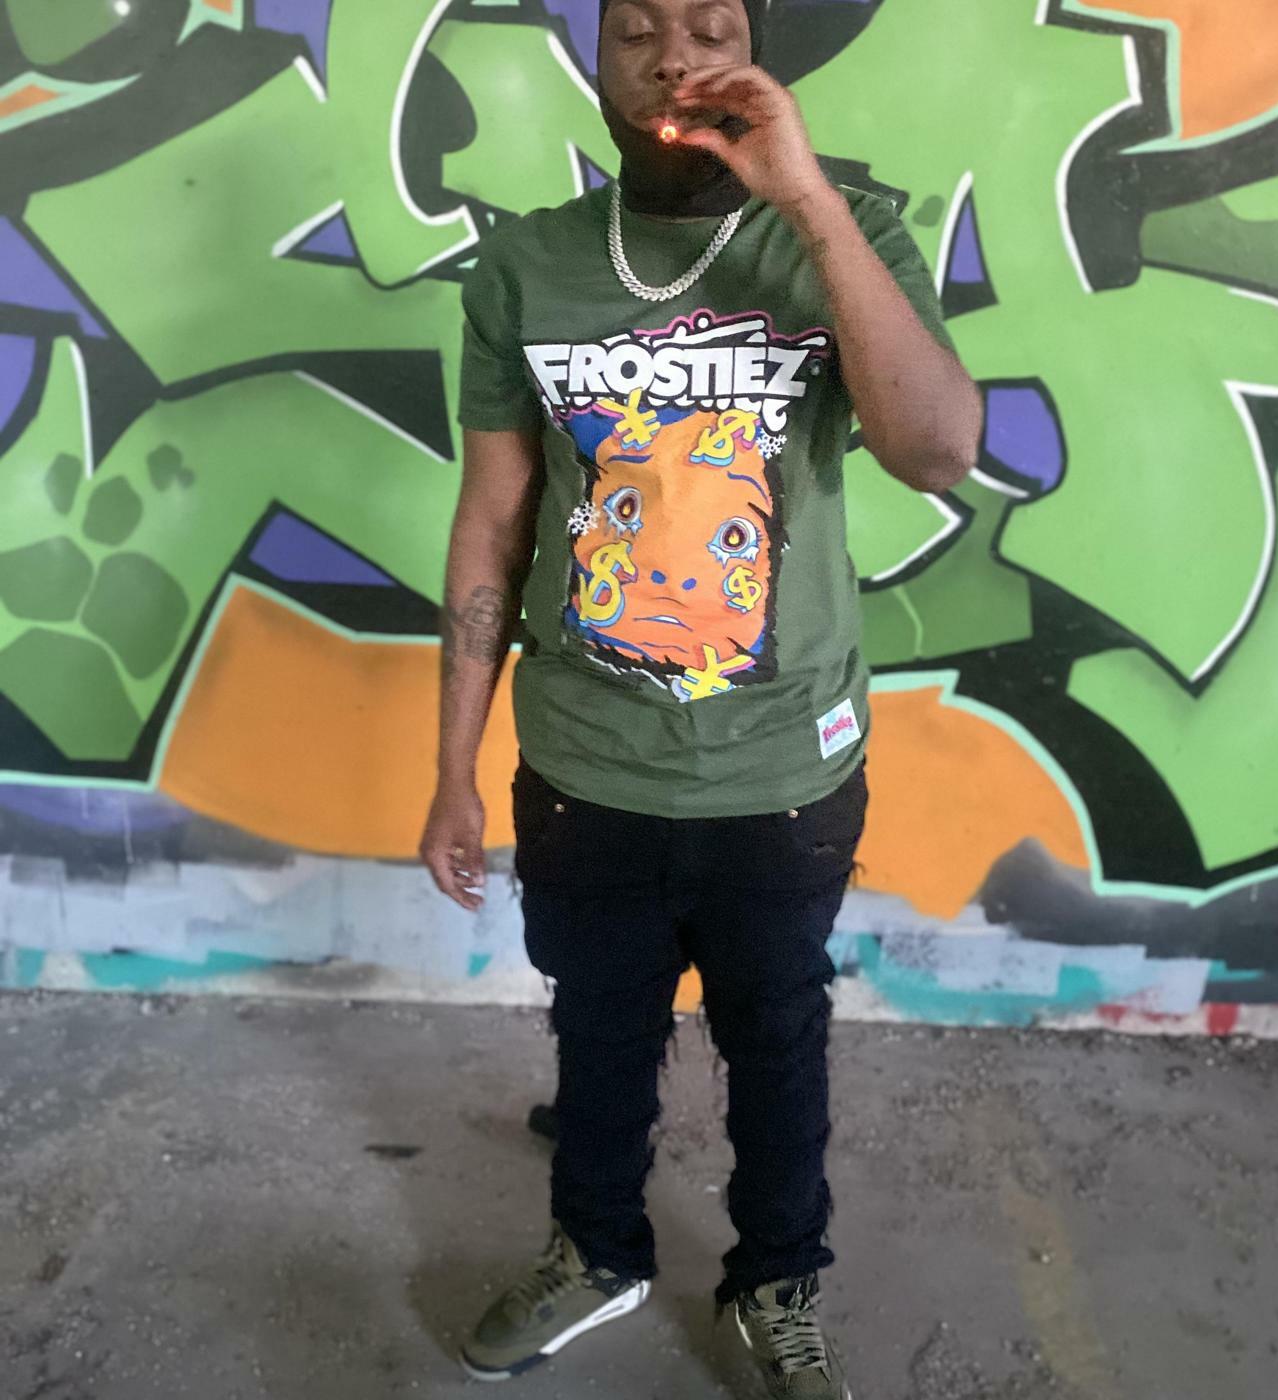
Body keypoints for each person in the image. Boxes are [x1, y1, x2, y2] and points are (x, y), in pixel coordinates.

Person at [419, 0, 982, 1393]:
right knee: (597, 1026)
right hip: (585, 762)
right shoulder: (528, 266)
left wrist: (807, 197)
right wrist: (450, 769)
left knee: (776, 1038)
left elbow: (937, 449)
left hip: (781, 768)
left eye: (712, 25)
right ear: (596, 63)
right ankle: (596, 1250)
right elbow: (491, 524)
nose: (675, 57)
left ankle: (777, 1278)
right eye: (637, 33)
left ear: (757, 51)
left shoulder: (843, 233)